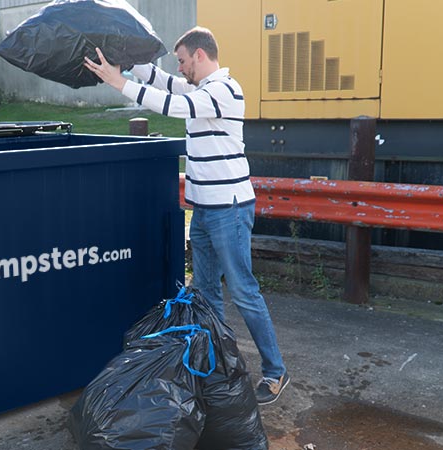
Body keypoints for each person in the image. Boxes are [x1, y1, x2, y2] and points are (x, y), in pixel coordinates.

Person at [83, 26, 290, 405]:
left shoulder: (225, 90)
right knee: (206, 295)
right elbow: (165, 84)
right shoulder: (200, 89)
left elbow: (175, 105)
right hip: (205, 210)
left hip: (229, 208)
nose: (178, 68)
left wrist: (119, 83)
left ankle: (276, 371)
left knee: (243, 292)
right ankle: (221, 369)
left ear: (199, 55)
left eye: (181, 60)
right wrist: (128, 64)